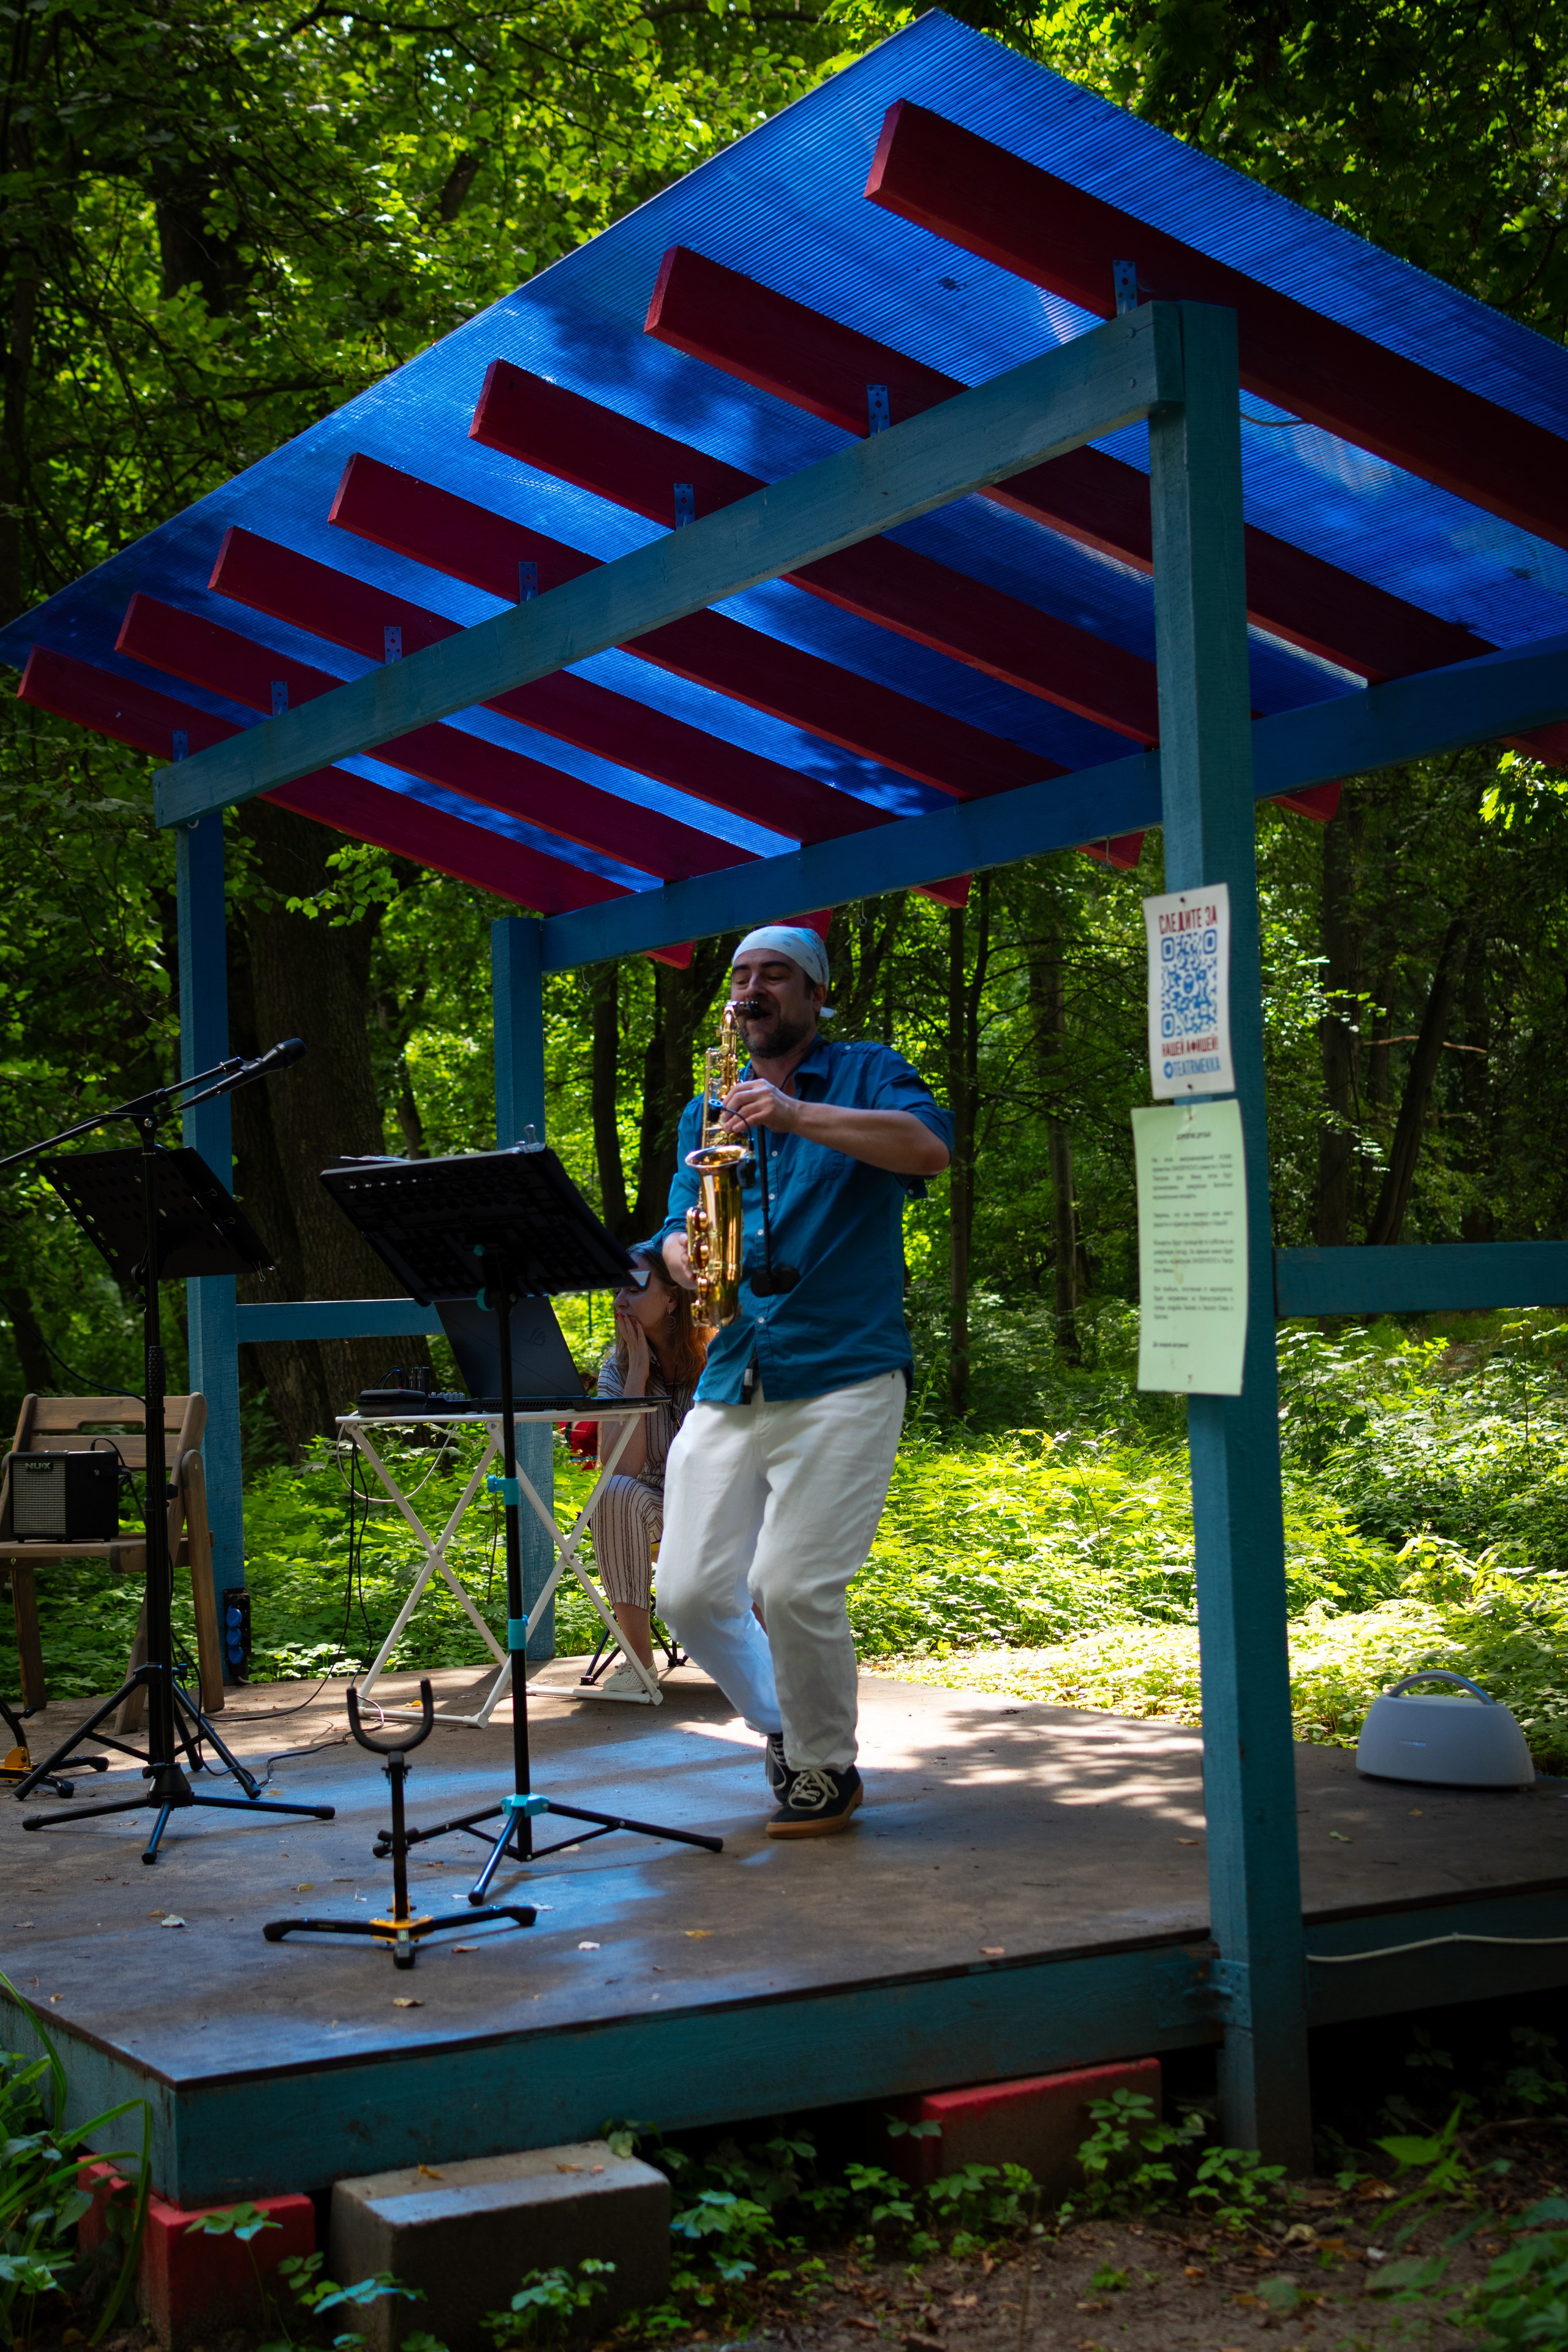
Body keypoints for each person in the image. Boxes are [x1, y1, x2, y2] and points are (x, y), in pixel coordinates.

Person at [656, 923, 952, 1837]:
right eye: (742, 977)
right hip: (737, 1366)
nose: (753, 991)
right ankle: (784, 1723)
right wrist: (680, 1256)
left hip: (845, 1368)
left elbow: (927, 1149)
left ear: (816, 996)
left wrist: (790, 1115)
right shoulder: (704, 1107)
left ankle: (827, 1766)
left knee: (791, 1586)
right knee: (688, 1594)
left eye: (775, 977)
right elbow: (673, 1223)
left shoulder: (867, 1073)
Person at [584, 1245, 707, 1698]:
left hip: (721, 1504)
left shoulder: (716, 1358)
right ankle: (638, 1663)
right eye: (616, 1289)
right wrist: (637, 1374)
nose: (620, 1300)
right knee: (613, 1492)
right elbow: (623, 1469)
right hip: (657, 1507)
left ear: (673, 1298)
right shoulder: (615, 1373)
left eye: (633, 1287)